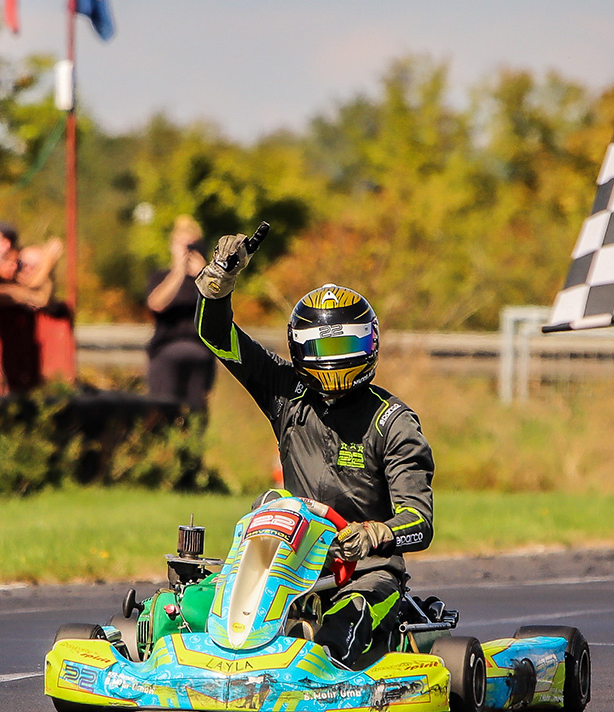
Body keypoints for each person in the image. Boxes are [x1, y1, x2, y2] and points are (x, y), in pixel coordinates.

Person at [193, 233, 435, 668]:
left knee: (335, 638)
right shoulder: (286, 392)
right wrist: (221, 278)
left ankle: (319, 654)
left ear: (370, 346)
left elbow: (419, 521)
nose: (335, 362)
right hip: (284, 563)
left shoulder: (393, 422)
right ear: (300, 350)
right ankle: (214, 649)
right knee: (186, 608)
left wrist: (376, 534)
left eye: (346, 349)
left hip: (361, 571)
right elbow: (215, 334)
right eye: (321, 349)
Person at [144, 216, 215, 410]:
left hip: (200, 352)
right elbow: (156, 304)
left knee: (196, 415)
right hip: (166, 351)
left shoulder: (207, 281)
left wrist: (205, 276)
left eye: (192, 246)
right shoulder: (161, 277)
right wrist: (178, 271)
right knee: (161, 410)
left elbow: (219, 311)